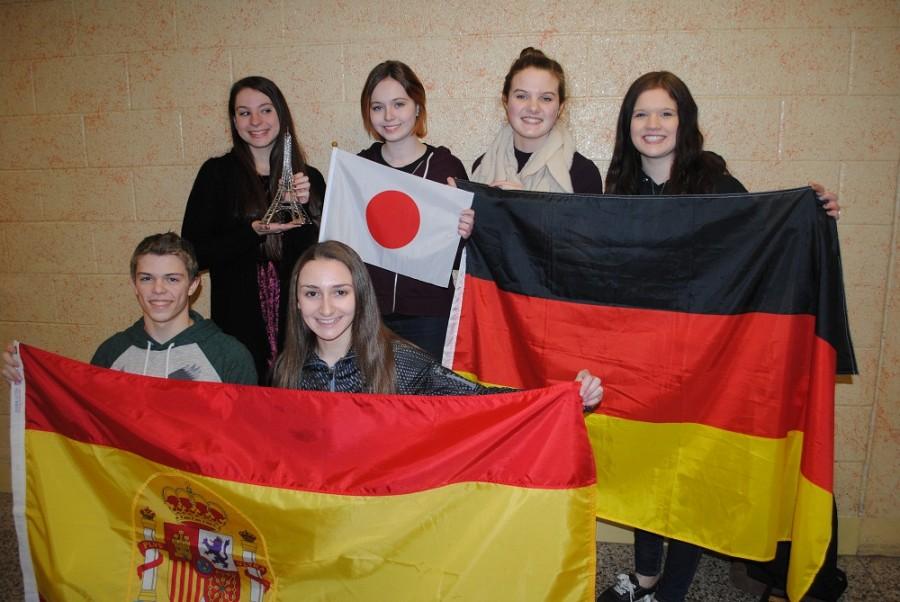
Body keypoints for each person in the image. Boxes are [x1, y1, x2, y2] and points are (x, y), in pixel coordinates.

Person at [598, 71, 839, 602]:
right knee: (646, 464)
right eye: (641, 113)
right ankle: (643, 577)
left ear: (684, 122)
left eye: (666, 112)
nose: (653, 124)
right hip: (641, 359)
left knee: (688, 476)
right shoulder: (616, 188)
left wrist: (811, 210)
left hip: (703, 361)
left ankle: (672, 589)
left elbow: (762, 236)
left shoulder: (715, 182)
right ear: (627, 125)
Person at [271, 240, 603, 404]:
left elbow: (483, 401)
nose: (326, 308)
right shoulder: (287, 368)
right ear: (297, 303)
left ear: (360, 295)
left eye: (340, 292)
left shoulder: (401, 361)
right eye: (312, 294)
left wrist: (566, 400)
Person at [182, 76, 325, 383]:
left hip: (299, 326)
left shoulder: (308, 178)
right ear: (234, 120)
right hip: (239, 326)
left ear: (281, 115)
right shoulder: (216, 174)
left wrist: (306, 205)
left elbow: (324, 256)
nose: (256, 121)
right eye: (244, 112)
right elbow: (193, 254)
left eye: (266, 110)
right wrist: (252, 232)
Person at [2, 233, 256, 385]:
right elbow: (82, 423)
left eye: (172, 279)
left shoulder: (229, 355)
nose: (157, 289)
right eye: (146, 278)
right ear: (134, 284)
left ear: (192, 285)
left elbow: (244, 441)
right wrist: (28, 378)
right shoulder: (111, 353)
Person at [356, 60, 474, 361]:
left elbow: (464, 251)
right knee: (375, 403)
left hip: (430, 314)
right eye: (378, 107)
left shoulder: (446, 167)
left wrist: (468, 231)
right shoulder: (359, 167)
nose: (389, 116)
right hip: (371, 313)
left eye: (399, 104)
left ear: (418, 107)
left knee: (425, 404)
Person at [472, 47, 603, 194]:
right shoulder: (482, 167)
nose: (533, 107)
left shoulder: (584, 174)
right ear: (506, 102)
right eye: (522, 96)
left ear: (560, 108)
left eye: (546, 98)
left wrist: (525, 206)